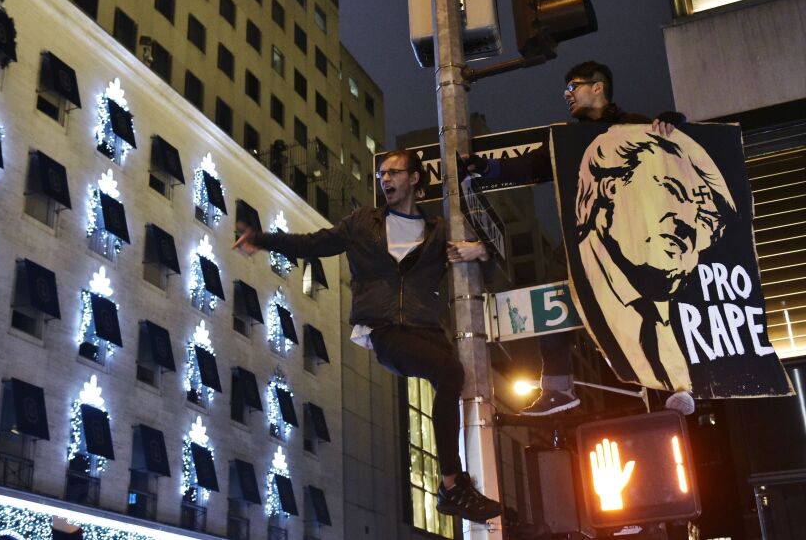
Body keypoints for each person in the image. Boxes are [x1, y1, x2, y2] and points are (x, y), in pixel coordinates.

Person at [233, 149, 503, 523]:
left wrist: (483, 250)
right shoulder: (363, 223)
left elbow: (482, 265)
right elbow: (313, 244)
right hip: (384, 329)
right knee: (451, 374)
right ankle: (453, 485)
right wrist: (262, 239)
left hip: (427, 329)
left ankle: (456, 487)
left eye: (393, 173)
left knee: (452, 378)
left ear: (414, 178)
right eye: (381, 174)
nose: (385, 180)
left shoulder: (439, 231)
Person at [464, 60, 691, 416]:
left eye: (573, 87)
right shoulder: (565, 139)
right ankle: (558, 386)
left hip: (637, 237)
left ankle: (678, 384)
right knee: (554, 291)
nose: (567, 95)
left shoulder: (635, 126)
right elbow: (532, 166)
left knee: (652, 304)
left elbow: (686, 153)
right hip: (585, 236)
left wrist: (674, 123)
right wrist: (487, 168)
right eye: (566, 90)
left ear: (598, 87)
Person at [576, 126, 736, 392]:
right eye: (671, 191)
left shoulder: (672, 321)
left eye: (704, 217)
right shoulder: (577, 275)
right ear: (612, 187)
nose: (688, 223)